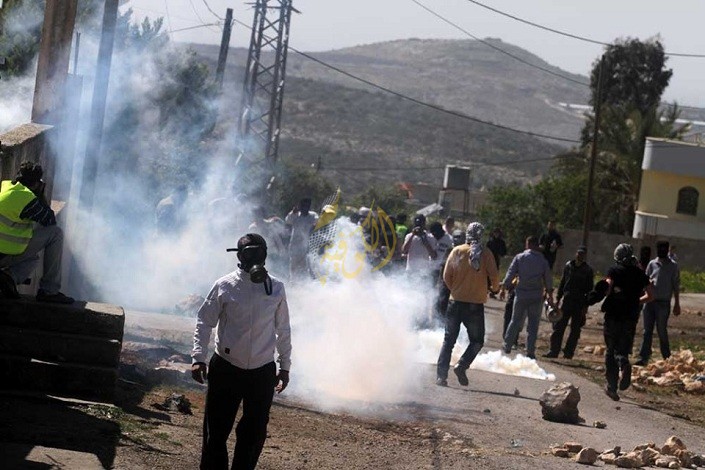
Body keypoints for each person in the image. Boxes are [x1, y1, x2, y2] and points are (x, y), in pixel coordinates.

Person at [192, 233, 292, 470]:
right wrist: (198, 358)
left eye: (259, 252)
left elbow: (283, 329)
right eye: (249, 253)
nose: (255, 258)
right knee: (216, 432)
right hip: (227, 367)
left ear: (265, 255)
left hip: (262, 370)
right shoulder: (225, 285)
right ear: (239, 256)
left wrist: (285, 366)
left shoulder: (276, 288)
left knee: (254, 434)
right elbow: (204, 322)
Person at [0, 161, 74, 304]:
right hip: (3, 256)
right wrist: (40, 194)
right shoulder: (27, 199)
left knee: (33, 259)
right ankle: (50, 291)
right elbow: (50, 220)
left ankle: (8, 277)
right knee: (56, 234)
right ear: (35, 183)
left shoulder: (6, 187)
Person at [437, 222, 499, 387]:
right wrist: (494, 289)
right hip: (475, 305)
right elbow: (494, 277)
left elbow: (446, 276)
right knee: (477, 341)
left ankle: (441, 377)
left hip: (455, 302)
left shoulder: (457, 251)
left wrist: (456, 290)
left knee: (449, 341)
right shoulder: (486, 253)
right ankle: (462, 365)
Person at [590, 243, 652, 401]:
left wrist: (594, 296)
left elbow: (607, 288)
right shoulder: (640, 273)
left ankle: (612, 387)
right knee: (623, 349)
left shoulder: (614, 271)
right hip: (631, 317)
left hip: (613, 316)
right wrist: (635, 301)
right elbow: (651, 295)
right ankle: (624, 364)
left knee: (611, 350)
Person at [499, 236, 553, 359]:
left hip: (521, 295)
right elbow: (548, 279)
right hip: (536, 296)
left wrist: (503, 288)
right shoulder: (543, 261)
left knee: (515, 320)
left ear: (529, 244)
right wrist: (550, 295)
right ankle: (530, 351)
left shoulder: (520, 257)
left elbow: (510, 273)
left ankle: (507, 345)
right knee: (533, 325)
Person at [544, 245, 594, 359]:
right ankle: (554, 350)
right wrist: (558, 299)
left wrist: (586, 306)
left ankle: (568, 352)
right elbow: (563, 283)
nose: (580, 255)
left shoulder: (587, 270)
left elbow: (589, 289)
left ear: (585, 255)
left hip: (579, 302)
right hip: (567, 300)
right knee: (559, 326)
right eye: (579, 253)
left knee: (575, 329)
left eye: (582, 254)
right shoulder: (569, 266)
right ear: (576, 253)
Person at [635, 241, 680, 366]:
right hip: (649, 302)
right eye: (660, 248)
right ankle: (644, 357)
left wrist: (677, 304)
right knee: (647, 331)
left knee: (662, 330)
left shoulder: (673, 266)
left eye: (664, 248)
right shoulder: (652, 264)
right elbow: (645, 280)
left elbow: (676, 286)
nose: (662, 250)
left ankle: (667, 357)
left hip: (663, 303)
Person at [284, 197, 319, 280]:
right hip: (294, 245)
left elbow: (318, 221)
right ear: (300, 206)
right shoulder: (295, 215)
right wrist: (293, 213)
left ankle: (304, 282)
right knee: (294, 266)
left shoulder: (312, 215)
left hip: (306, 246)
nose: (305, 208)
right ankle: (293, 282)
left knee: (305, 266)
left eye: (307, 206)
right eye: (303, 206)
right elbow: (288, 221)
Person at [429, 221, 454, 322]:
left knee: (440, 294)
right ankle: (430, 316)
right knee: (430, 293)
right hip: (431, 269)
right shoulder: (431, 238)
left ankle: (438, 318)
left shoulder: (449, 239)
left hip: (443, 270)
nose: (434, 235)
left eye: (436, 233)